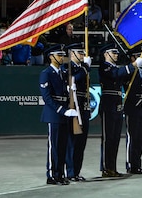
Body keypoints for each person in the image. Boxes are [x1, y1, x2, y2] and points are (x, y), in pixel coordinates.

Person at [98, 45, 142, 177]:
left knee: (115, 138)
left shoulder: (116, 67)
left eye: (117, 53)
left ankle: (112, 167)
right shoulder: (104, 67)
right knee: (108, 138)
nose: (116, 55)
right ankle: (106, 167)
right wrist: (132, 65)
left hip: (117, 103)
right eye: (113, 53)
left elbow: (123, 75)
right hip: (108, 103)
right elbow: (115, 74)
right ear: (106, 54)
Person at [40, 47, 78, 185]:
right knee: (54, 146)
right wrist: (63, 110)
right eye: (59, 55)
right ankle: (52, 175)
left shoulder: (62, 72)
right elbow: (47, 98)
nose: (62, 58)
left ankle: (60, 174)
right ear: (51, 57)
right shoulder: (46, 73)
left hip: (63, 114)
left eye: (63, 55)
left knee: (62, 146)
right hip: (54, 115)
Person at [63, 46, 92, 181]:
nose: (82, 55)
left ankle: (77, 171)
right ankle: (70, 171)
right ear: (71, 54)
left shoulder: (82, 67)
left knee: (81, 143)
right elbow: (73, 79)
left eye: (83, 53)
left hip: (83, 107)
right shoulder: (67, 66)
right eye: (79, 53)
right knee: (72, 142)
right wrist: (85, 67)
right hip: (74, 106)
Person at [124, 50, 142, 174]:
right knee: (132, 138)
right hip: (132, 108)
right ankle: (130, 164)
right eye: (138, 56)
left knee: (140, 138)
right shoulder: (129, 72)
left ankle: (137, 164)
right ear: (132, 58)